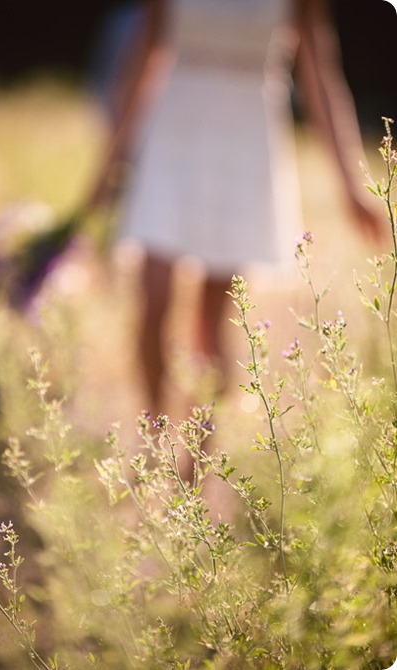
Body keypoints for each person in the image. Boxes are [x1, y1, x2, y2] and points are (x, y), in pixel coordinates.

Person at [85, 0, 383, 417]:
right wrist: (106, 169)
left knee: (216, 314)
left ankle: (199, 462)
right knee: (153, 296)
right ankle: (157, 436)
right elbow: (144, 57)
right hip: (176, 128)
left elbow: (320, 73)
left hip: (245, 137)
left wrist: (352, 186)